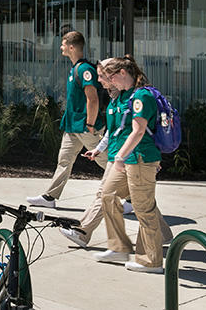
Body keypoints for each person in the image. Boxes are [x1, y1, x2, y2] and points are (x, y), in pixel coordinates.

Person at [59, 58, 173, 249]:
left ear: (118, 75)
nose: (101, 82)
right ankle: (158, 236)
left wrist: (135, 158)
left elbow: (140, 130)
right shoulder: (117, 100)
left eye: (104, 77)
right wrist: (99, 149)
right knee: (140, 201)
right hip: (120, 155)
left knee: (113, 196)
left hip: (130, 157)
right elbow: (115, 131)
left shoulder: (137, 97)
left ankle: (92, 235)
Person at [94, 56, 169, 273]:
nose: (108, 83)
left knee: (144, 209)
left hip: (139, 159)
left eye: (110, 77)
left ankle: (151, 261)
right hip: (131, 160)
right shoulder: (127, 95)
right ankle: (119, 247)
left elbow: (138, 131)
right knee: (107, 194)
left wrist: (119, 157)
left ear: (122, 73)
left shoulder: (142, 96)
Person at [27, 30, 107, 208]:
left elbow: (92, 99)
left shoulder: (85, 69)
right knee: (64, 161)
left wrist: (91, 124)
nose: (61, 47)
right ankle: (50, 197)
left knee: (107, 161)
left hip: (86, 127)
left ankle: (131, 198)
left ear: (71, 47)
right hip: (72, 126)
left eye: (63, 44)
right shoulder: (75, 68)